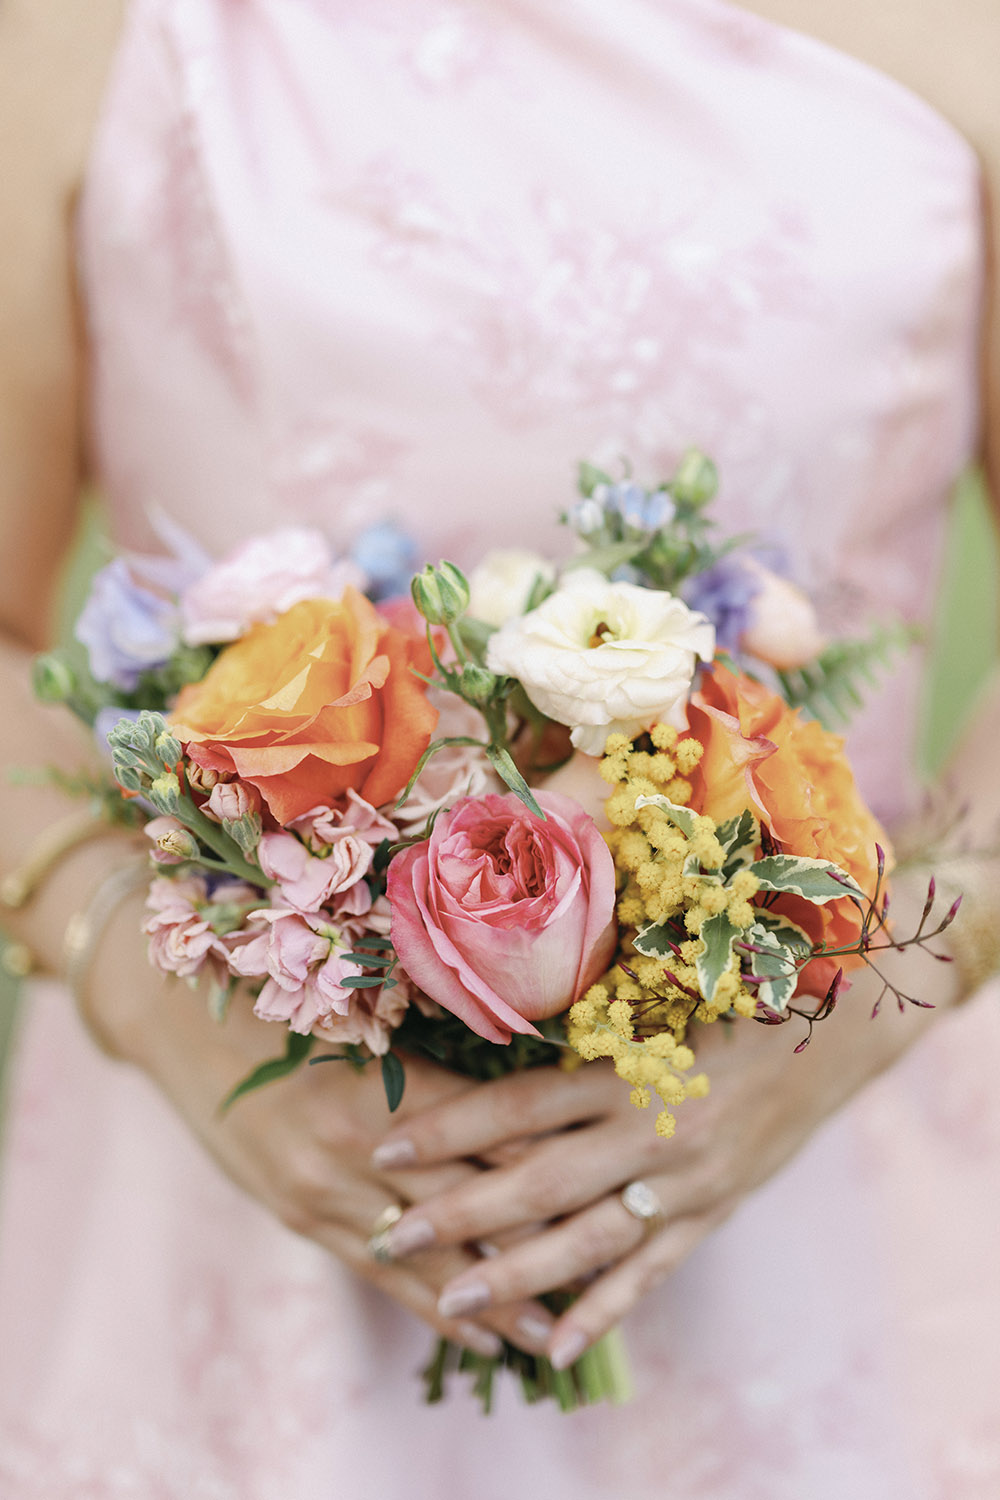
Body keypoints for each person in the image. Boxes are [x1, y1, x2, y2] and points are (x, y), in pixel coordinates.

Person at [0, 0, 998, 1495]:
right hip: (237, 1180)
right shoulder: (80, 38)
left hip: (825, 1165)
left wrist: (853, 1019)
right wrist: (151, 999)